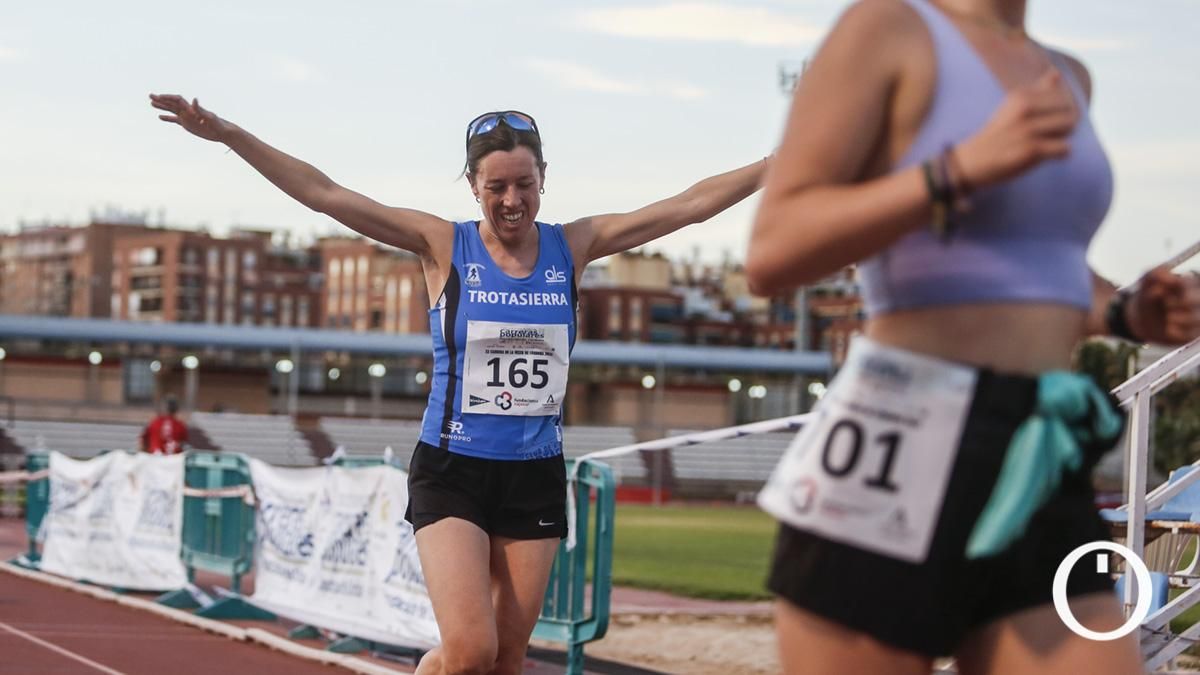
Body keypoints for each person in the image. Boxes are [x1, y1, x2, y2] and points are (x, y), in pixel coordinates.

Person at [149, 94, 769, 674]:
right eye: (495, 186)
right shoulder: (443, 244)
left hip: (535, 472)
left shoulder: (573, 246)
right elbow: (324, 194)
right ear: (472, 184)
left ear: (544, 178)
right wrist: (228, 134)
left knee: (503, 664)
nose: (511, 200)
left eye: (524, 184)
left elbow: (686, 205)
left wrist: (776, 165)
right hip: (453, 469)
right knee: (471, 648)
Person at [746, 1, 1200, 674]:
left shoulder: (1065, 75)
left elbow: (1041, 264)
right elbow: (773, 251)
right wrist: (956, 169)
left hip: (1034, 442)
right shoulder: (887, 28)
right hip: (899, 436)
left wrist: (1129, 312)